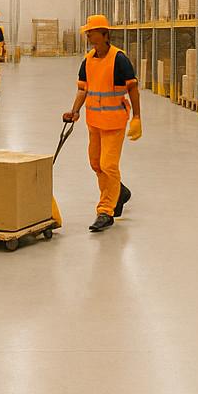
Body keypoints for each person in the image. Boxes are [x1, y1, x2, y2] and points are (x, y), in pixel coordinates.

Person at [62, 14, 142, 232]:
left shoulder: (119, 59)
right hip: (94, 122)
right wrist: (74, 111)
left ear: (105, 34)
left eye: (92, 31)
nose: (88, 35)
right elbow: (83, 88)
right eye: (87, 32)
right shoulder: (87, 60)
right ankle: (120, 192)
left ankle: (105, 211)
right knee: (96, 164)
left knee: (108, 165)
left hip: (115, 122)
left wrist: (137, 117)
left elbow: (132, 88)